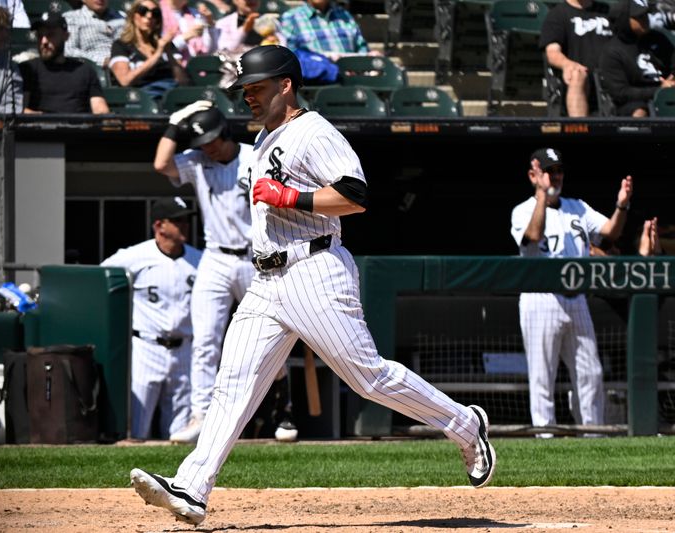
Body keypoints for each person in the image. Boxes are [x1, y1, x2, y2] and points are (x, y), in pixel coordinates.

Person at [130, 45, 496, 526]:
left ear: (285, 85)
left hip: (314, 270)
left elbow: (355, 195)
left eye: (257, 88)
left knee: (369, 379)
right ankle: (193, 488)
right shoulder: (263, 138)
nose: (249, 99)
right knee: (233, 385)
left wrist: (292, 196)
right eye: (244, 91)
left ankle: (466, 424)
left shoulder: (313, 131)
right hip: (266, 279)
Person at [153, 101, 297, 444]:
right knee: (204, 341)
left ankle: (284, 413)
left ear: (225, 133)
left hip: (256, 257)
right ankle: (200, 414)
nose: (209, 148)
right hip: (215, 258)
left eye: (213, 140)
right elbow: (160, 163)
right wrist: (175, 122)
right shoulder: (197, 162)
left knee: (270, 339)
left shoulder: (255, 155)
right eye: (203, 143)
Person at [511, 148, 633, 436]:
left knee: (590, 372)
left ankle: (592, 435)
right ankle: (545, 437)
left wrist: (622, 206)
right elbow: (533, 236)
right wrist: (542, 195)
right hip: (540, 298)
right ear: (533, 175)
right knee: (543, 377)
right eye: (548, 171)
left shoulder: (577, 206)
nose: (555, 176)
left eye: (558, 170)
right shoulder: (522, 210)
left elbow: (610, 232)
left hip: (575, 298)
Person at [101, 197, 202, 439]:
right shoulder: (133, 257)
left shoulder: (200, 259)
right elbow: (98, 278)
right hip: (147, 347)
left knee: (180, 433)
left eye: (186, 220)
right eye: (177, 221)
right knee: (137, 427)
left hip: (185, 348)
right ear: (159, 226)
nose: (185, 225)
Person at [20, 12, 109, 114]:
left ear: (66, 36)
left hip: (79, 128)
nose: (44, 41)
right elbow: (18, 109)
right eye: (40, 36)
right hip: (38, 127)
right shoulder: (27, 69)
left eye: (50, 35)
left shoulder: (84, 71)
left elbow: (99, 108)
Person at [599, 0, 675, 117]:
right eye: (639, 17)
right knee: (639, 111)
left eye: (646, 14)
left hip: (668, 95)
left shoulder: (658, 38)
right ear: (624, 19)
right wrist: (659, 90)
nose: (646, 19)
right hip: (633, 103)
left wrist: (671, 80)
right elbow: (620, 93)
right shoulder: (612, 51)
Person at [540, 0, 613, 117]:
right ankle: (579, 129)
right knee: (577, 74)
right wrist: (567, 65)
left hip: (610, 79)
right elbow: (552, 53)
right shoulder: (558, 14)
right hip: (579, 81)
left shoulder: (607, 11)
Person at [109, 0, 187, 97]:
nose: (149, 16)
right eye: (143, 11)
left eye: (155, 13)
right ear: (133, 16)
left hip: (170, 95)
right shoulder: (121, 45)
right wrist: (157, 54)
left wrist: (169, 53)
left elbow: (183, 81)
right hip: (141, 98)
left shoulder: (165, 44)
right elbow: (125, 81)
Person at [280, 0, 377, 62]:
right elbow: (290, 58)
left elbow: (362, 47)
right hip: (316, 80)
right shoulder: (291, 18)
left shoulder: (345, 15)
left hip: (352, 77)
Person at [64, 0, 126, 67]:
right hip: (94, 68)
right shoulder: (72, 18)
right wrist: (102, 60)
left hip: (126, 63)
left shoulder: (122, 16)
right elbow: (69, 50)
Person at [160, 0, 219, 66]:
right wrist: (185, 37)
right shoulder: (158, 13)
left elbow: (211, 48)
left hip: (199, 65)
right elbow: (161, 49)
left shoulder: (194, 13)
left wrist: (209, 23)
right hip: (171, 67)